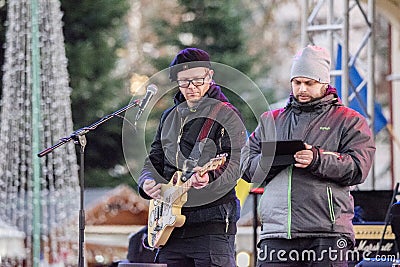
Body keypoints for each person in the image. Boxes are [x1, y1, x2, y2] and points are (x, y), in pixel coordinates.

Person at [240, 45, 376, 266]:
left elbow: (359, 167)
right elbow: (245, 166)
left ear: (324, 83)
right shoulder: (271, 120)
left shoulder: (349, 120)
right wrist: (272, 161)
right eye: (297, 82)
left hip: (328, 234)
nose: (302, 88)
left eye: (309, 83)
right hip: (276, 233)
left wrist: (317, 159)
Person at [138, 47, 246, 267]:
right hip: (170, 228)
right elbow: (154, 159)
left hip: (212, 226)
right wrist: (146, 182)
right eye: (184, 82)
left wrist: (212, 175)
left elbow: (237, 163)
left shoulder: (226, 114)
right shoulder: (169, 116)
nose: (191, 87)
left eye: (198, 80)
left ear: (210, 77)